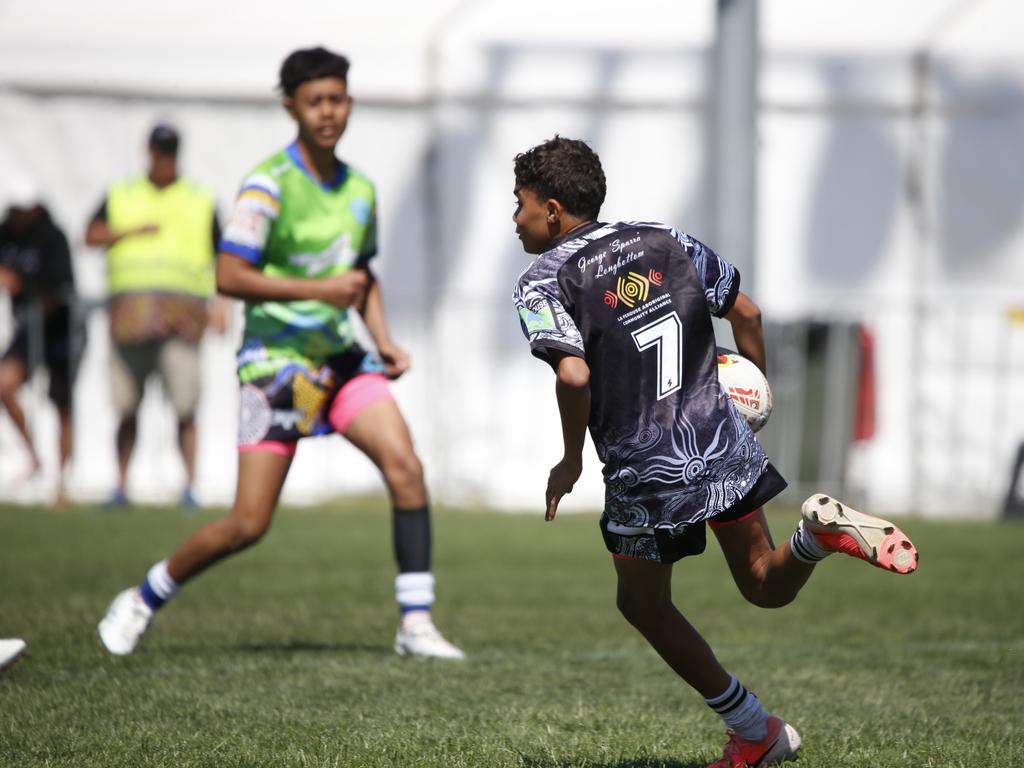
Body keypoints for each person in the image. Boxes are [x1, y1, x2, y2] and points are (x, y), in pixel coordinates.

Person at [510, 136, 918, 767]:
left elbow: (574, 376)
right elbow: (747, 312)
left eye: (520, 205)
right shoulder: (664, 237)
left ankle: (755, 731)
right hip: (719, 436)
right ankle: (815, 535)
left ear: (555, 209)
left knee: (641, 602)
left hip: (648, 468)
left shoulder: (542, 279)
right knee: (763, 583)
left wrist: (569, 460)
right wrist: (754, 388)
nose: (516, 220)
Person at [97, 47, 464, 660]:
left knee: (406, 468)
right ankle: (143, 596)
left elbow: (361, 274)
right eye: (316, 101)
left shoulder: (360, 188)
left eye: (338, 99)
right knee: (248, 524)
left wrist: (385, 342)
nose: (329, 112)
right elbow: (229, 275)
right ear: (292, 106)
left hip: (341, 360)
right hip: (275, 366)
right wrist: (322, 290)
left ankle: (415, 623)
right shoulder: (268, 185)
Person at [85, 123, 229, 508]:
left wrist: (223, 307)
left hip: (183, 321)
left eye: (170, 152)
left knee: (185, 406)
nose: (163, 159)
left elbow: (225, 256)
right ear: (147, 151)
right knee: (126, 406)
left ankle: (189, 487)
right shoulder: (122, 193)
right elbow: (90, 235)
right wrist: (129, 231)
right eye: (158, 151)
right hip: (130, 320)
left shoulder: (199, 197)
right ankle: (119, 484)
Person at [0, 175, 80, 505]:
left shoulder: (53, 237)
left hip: (59, 330)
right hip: (26, 330)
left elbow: (59, 288)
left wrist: (22, 284)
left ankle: (61, 483)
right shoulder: (5, 234)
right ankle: (34, 456)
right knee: (4, 383)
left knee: (62, 404)